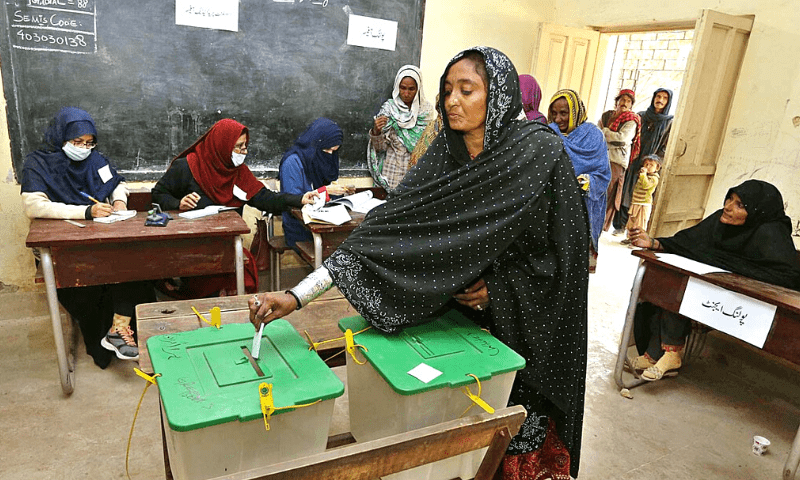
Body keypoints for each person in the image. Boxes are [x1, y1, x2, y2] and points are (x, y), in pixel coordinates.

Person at [250, 47, 590, 480]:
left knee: (509, 447)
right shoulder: (443, 156)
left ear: (499, 97)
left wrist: (500, 289)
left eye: (467, 90)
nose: (452, 101)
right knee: (451, 451)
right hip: (455, 326)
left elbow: (568, 259)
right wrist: (295, 296)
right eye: (448, 90)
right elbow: (380, 233)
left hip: (527, 328)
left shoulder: (539, 155)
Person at [19, 107, 155, 367]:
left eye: (89, 143)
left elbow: (116, 184)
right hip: (63, 250)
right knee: (86, 290)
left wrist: (118, 203)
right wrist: (85, 212)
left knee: (137, 264)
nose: (83, 148)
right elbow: (34, 205)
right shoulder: (38, 162)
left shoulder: (95, 160)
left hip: (100, 241)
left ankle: (119, 327)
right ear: (61, 138)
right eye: (76, 142)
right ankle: (105, 339)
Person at [628, 180, 800, 381]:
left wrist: (728, 269)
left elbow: (784, 276)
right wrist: (654, 243)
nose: (727, 207)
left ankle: (671, 353)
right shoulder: (720, 220)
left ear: (756, 212)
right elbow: (688, 242)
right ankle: (657, 354)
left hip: (750, 303)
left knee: (684, 290)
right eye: (730, 198)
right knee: (675, 284)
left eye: (739, 205)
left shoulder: (770, 234)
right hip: (717, 291)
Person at [151, 118, 319, 297]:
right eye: (238, 146)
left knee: (239, 280)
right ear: (221, 144)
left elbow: (265, 198)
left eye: (246, 146)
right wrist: (179, 203)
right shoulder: (187, 167)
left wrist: (299, 199)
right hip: (191, 246)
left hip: (225, 245)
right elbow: (158, 195)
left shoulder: (238, 172)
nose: (243, 152)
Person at [547, 88, 610, 273]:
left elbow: (603, 174)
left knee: (573, 268)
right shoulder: (549, 133)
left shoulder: (593, 135)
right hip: (554, 206)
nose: (558, 119)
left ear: (575, 112)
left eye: (564, 113)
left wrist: (586, 182)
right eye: (554, 113)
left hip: (582, 207)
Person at [278, 117, 352, 247]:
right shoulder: (292, 162)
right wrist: (324, 191)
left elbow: (328, 197)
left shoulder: (324, 159)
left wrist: (342, 193)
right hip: (300, 227)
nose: (330, 154)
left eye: (334, 151)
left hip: (326, 223)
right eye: (326, 150)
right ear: (315, 144)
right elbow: (292, 200)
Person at [367, 65, 433, 191]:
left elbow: (427, 147)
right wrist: (376, 131)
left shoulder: (425, 112)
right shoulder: (389, 109)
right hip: (391, 171)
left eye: (411, 89)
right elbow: (380, 149)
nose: (406, 93)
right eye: (402, 88)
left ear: (418, 89)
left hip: (415, 172)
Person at [616, 88, 673, 229]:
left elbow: (665, 146)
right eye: (658, 96)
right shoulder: (641, 116)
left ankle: (635, 229)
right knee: (625, 190)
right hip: (634, 158)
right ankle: (620, 225)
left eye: (664, 98)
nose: (660, 100)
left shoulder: (669, 122)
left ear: (668, 102)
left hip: (649, 163)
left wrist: (653, 162)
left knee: (641, 192)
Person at [599, 89, 641, 234]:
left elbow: (622, 138)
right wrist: (608, 135)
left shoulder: (632, 120)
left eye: (628, 101)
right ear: (617, 102)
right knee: (596, 189)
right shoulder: (607, 116)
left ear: (631, 105)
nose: (624, 103)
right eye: (622, 100)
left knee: (609, 192)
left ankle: (601, 225)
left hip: (616, 161)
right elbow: (597, 131)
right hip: (600, 156)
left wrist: (605, 133)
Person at [621, 154, 661, 245]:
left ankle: (638, 241)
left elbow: (645, 185)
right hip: (636, 202)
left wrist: (643, 175)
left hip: (643, 204)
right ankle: (630, 238)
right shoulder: (643, 175)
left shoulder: (654, 179)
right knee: (632, 222)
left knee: (640, 223)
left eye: (651, 165)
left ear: (657, 168)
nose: (647, 167)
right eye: (646, 164)